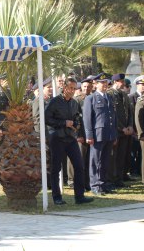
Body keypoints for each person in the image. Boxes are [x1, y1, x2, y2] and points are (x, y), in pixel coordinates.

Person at [45, 77, 93, 205]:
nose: (72, 91)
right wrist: (63, 123)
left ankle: (79, 196)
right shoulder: (55, 102)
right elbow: (47, 119)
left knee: (79, 166)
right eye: (70, 88)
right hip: (57, 138)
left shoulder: (74, 102)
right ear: (64, 88)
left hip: (71, 138)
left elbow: (77, 118)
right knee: (56, 168)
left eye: (74, 88)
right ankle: (57, 197)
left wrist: (76, 125)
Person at [83, 73, 117, 196]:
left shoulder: (109, 97)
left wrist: (114, 134)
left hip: (108, 133)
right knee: (95, 160)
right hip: (97, 134)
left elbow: (113, 117)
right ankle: (95, 185)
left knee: (105, 160)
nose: (104, 85)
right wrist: (89, 135)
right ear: (96, 84)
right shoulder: (90, 98)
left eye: (106, 82)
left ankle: (103, 184)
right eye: (102, 83)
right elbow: (87, 119)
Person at [107, 73, 133, 188]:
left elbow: (129, 111)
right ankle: (111, 180)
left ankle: (119, 179)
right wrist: (121, 128)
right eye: (121, 81)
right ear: (115, 82)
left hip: (126, 131)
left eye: (123, 81)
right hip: (116, 131)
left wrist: (130, 126)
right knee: (113, 157)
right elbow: (112, 114)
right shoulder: (109, 94)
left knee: (122, 156)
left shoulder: (124, 94)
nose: (123, 84)